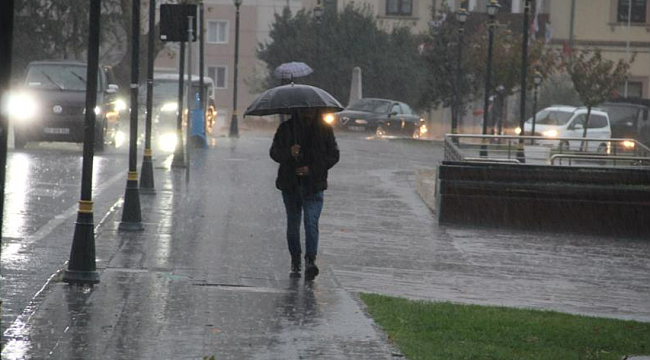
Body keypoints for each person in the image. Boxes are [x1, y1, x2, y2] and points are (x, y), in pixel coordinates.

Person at [270, 108, 339, 280]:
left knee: (311, 222)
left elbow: (333, 155)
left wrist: (312, 169)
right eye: (303, 109)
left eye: (310, 109)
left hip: (314, 185)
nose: (307, 112)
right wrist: (289, 152)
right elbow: (274, 152)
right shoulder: (286, 128)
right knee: (293, 224)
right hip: (290, 184)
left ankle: (310, 260)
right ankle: (295, 259)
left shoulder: (324, 130)